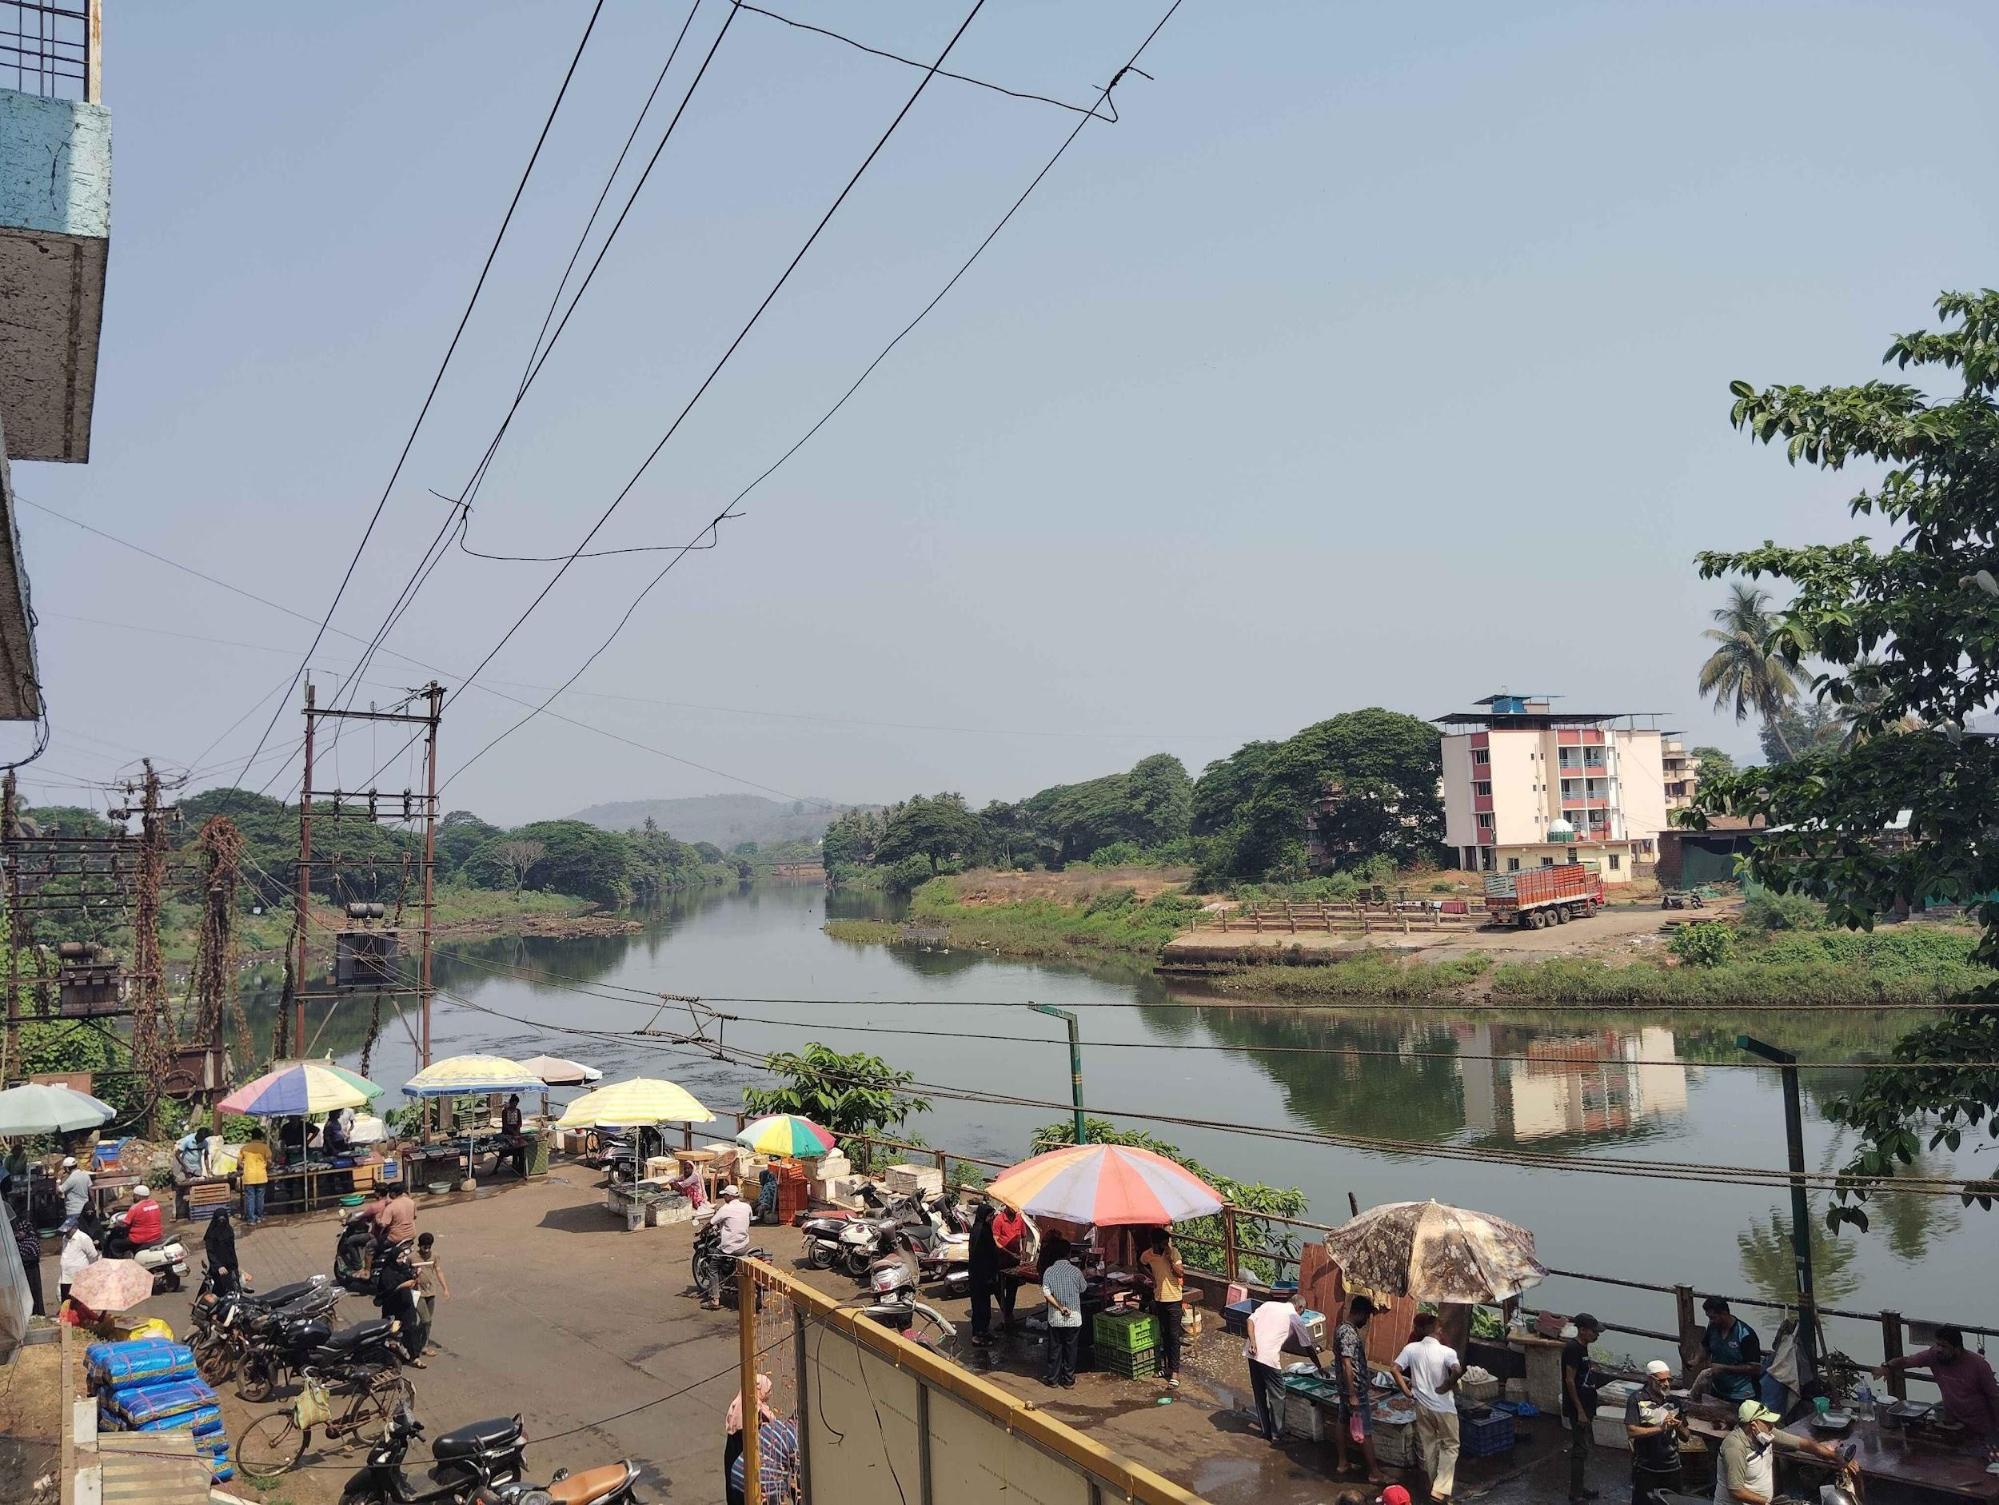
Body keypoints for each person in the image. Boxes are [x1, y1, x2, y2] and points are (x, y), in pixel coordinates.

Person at [1873, 1325, 1999, 1441]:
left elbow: (1994, 1397)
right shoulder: (1933, 1355)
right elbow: (1907, 1361)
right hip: (1952, 1425)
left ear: (1957, 1349)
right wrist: (1887, 1366)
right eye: (1937, 1344)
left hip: (1981, 1428)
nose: (1939, 1349)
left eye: (1944, 1346)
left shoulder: (1979, 1365)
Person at [1393, 1310, 1462, 1504]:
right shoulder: (1447, 1352)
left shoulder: (1411, 1349)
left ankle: (1436, 1489)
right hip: (1444, 1407)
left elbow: (1394, 1369)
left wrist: (1406, 1391)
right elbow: (1457, 1369)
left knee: (1430, 1447)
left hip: (1421, 1406)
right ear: (1437, 1331)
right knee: (1451, 1446)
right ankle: (1440, 1490)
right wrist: (1448, 1384)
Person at [1713, 1398, 1839, 1504]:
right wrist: (1769, 1503)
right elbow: (1736, 1491)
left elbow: (1803, 1444)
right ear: (1753, 1425)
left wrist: (1836, 1458)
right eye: (1767, 1423)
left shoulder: (1766, 1433)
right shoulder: (1735, 1448)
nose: (1772, 1426)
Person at [1333, 1295, 1383, 1481]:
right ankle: (1374, 1472)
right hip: (1353, 1389)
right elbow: (1347, 1364)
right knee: (1366, 1429)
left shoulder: (1342, 1329)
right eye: (1367, 1316)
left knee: (1342, 1420)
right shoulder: (1348, 1333)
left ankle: (1342, 1462)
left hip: (1345, 1388)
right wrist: (1353, 1394)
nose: (1367, 1321)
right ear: (1359, 1313)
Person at [1626, 1359, 1689, 1505]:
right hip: (1646, 1467)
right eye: (1661, 1380)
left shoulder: (1674, 1401)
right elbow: (1631, 1431)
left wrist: (1678, 1426)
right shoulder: (1637, 1400)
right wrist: (1661, 1428)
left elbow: (1686, 1436)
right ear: (1650, 1379)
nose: (1666, 1384)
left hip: (1672, 1467)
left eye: (1669, 1379)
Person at [1690, 1298, 1762, 1405]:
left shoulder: (1745, 1334)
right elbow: (1704, 1345)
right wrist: (1696, 1360)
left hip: (1743, 1394)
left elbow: (1755, 1368)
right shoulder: (1713, 1327)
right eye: (1709, 1318)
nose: (1711, 1321)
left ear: (1724, 1313)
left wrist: (1724, 1368)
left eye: (1713, 1317)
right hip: (1718, 1390)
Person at [1138, 1229, 1186, 1389]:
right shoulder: (1149, 1254)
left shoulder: (1174, 1253)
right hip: (1159, 1298)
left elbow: (1180, 1273)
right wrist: (1151, 1277)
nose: (1166, 1246)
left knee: (1174, 1336)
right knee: (1164, 1334)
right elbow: (1141, 1263)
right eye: (1163, 1243)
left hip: (1174, 1300)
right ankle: (1167, 1368)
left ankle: (1175, 1372)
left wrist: (1169, 1258)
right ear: (1155, 1244)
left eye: (1167, 1243)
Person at [1563, 1312, 1603, 1504]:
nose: (1596, 1335)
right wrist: (1579, 1410)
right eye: (1594, 1332)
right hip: (1578, 1407)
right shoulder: (1573, 1349)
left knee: (1584, 1447)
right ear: (1583, 1330)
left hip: (1587, 1403)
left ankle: (1580, 1487)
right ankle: (1575, 1492)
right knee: (1579, 1449)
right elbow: (1569, 1380)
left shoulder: (1583, 1348)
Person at [727, 1403, 800, 1505]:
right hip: (762, 1480)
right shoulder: (797, 1441)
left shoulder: (776, 1425)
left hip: (738, 1472)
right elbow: (801, 1482)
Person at [1038, 1236, 1085, 1388]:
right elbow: (1083, 1288)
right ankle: (1068, 1380)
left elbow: (1046, 1293)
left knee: (1055, 1348)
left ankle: (1052, 1379)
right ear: (1068, 1254)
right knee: (1071, 1349)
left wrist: (1059, 1307)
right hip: (1074, 1318)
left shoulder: (1049, 1272)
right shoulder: (1076, 1271)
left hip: (1056, 1318)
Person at [374, 1236, 426, 1366]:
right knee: (391, 1330)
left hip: (406, 1304)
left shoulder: (403, 1268)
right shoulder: (387, 1273)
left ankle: (415, 1357)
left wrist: (415, 1276)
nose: (402, 1260)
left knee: (411, 1328)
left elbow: (409, 1278)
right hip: (392, 1306)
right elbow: (388, 1289)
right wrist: (403, 1285)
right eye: (399, 1258)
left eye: (403, 1257)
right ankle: (386, 1355)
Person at [725, 1374, 776, 1505]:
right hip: (749, 1468)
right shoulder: (758, 1416)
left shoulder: (737, 1406)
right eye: (768, 1390)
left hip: (733, 1460)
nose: (770, 1394)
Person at [701, 1184, 754, 1310]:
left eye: (725, 1195)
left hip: (730, 1247)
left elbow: (711, 1223)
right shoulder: (747, 1206)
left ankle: (714, 1300)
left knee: (712, 1268)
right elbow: (749, 1219)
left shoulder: (725, 1209)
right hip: (744, 1245)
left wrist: (701, 1231)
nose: (724, 1197)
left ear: (730, 1196)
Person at [967, 1202, 1001, 1346]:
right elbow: (978, 1255)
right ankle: (977, 1335)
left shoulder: (985, 1229)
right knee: (979, 1306)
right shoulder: (979, 1231)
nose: (992, 1218)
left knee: (985, 1305)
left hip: (985, 1276)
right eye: (990, 1215)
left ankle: (984, 1332)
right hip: (979, 1276)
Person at [992, 1203, 1027, 1329]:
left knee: (1012, 1289)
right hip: (1001, 1260)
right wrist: (1010, 1253)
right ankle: (1006, 1313)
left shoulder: (1019, 1218)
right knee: (998, 1288)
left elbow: (1024, 1236)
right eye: (1012, 1207)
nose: (1015, 1210)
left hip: (1015, 1260)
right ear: (1007, 1207)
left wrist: (1023, 1251)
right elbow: (995, 1241)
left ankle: (1008, 1314)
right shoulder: (999, 1220)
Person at [105, 1186, 162, 1259]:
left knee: (114, 1244)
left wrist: (116, 1224)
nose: (133, 1197)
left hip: (139, 1238)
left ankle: (122, 1264)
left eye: (134, 1195)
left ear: (138, 1196)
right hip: (156, 1235)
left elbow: (125, 1224)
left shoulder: (135, 1208)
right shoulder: (155, 1204)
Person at [58, 1211, 99, 1307]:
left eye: (68, 1230)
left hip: (78, 1277)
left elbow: (93, 1255)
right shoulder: (65, 1238)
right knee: (66, 1304)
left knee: (79, 1304)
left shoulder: (83, 1238)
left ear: (75, 1228)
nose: (66, 1233)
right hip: (65, 1276)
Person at [203, 1208, 245, 1298]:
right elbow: (210, 1252)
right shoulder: (211, 1234)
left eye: (223, 1220)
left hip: (230, 1267)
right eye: (219, 1220)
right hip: (218, 1270)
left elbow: (231, 1250)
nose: (221, 1223)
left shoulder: (229, 1230)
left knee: (235, 1292)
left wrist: (236, 1267)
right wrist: (218, 1266)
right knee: (219, 1292)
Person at [12, 1205, 43, 1317]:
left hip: (32, 1271)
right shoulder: (17, 1242)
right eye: (17, 1232)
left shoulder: (32, 1241)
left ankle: (38, 1314)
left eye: (21, 1232)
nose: (18, 1234)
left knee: (35, 1292)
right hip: (21, 1272)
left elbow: (35, 1257)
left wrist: (22, 1259)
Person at [236, 1128, 271, 1227]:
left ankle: (251, 1219)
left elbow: (239, 1163)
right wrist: (267, 1166)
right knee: (260, 1197)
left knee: (250, 1198)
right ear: (260, 1136)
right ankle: (259, 1217)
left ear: (252, 1136)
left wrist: (246, 1167)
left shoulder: (245, 1148)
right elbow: (269, 1162)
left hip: (249, 1176)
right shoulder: (265, 1147)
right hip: (261, 1175)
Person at [372, 1183, 417, 1249]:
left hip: (395, 1238)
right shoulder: (411, 1202)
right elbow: (415, 1217)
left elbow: (383, 1225)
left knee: (370, 1246)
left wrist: (377, 1219)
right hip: (411, 1235)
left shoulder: (391, 1207)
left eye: (389, 1193)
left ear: (392, 1194)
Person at [57, 1156, 92, 1235]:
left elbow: (59, 1190)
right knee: (84, 1232)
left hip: (73, 1210)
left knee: (73, 1234)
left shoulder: (72, 1179)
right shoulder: (85, 1175)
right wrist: (93, 1203)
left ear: (67, 1169)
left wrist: (58, 1179)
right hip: (84, 1208)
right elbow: (91, 1190)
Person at [499, 1095, 527, 1176]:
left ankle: (519, 1167)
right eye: (513, 1104)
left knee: (520, 1149)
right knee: (506, 1150)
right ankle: (512, 1165)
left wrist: (517, 1131)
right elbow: (505, 1124)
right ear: (510, 1103)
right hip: (507, 1133)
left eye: (516, 1104)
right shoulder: (505, 1112)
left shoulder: (518, 1111)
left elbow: (519, 1123)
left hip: (516, 1133)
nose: (515, 1106)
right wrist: (513, 1132)